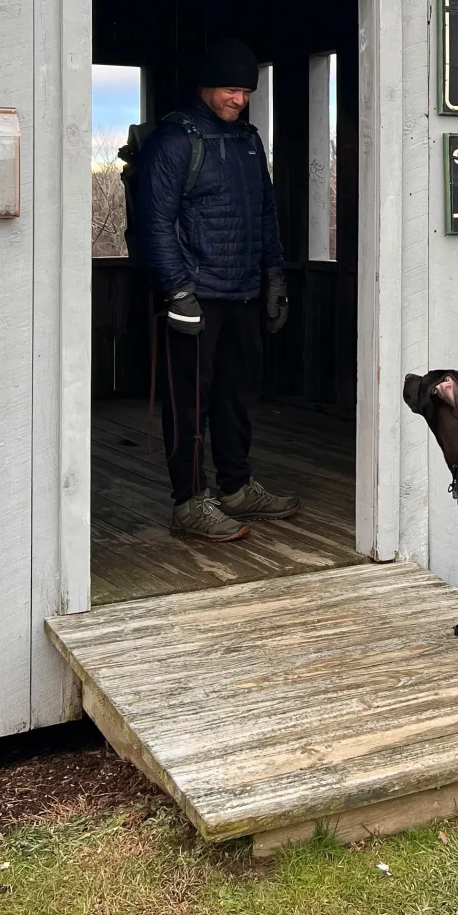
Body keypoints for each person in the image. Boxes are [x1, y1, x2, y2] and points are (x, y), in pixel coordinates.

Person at [135, 36, 300, 540]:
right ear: (207, 86)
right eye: (231, 89)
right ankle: (189, 502)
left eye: (246, 92)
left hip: (243, 294)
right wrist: (177, 291)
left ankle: (236, 488)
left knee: (235, 396)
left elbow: (264, 215)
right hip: (196, 296)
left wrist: (273, 276)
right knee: (190, 403)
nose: (239, 99)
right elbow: (154, 224)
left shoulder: (249, 141)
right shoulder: (174, 142)